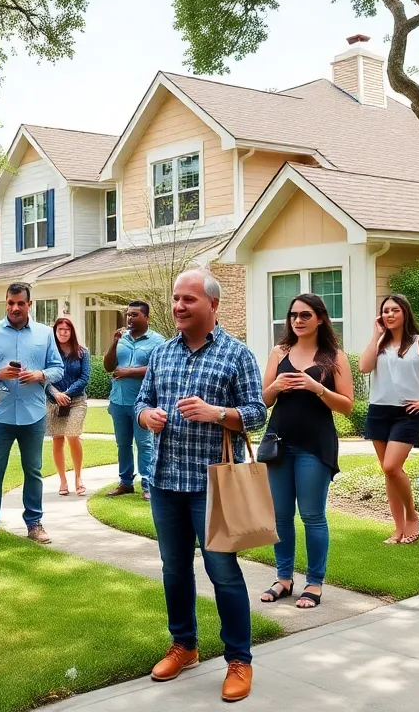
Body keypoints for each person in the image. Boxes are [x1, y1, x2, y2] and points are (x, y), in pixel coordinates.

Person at [134, 269, 267, 703]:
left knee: (223, 572)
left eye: (188, 299)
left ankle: (239, 659)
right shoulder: (162, 353)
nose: (178, 306)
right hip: (166, 480)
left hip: (214, 485)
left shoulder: (237, 354)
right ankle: (185, 646)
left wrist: (217, 413)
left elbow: (256, 413)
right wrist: (145, 416)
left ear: (212, 305)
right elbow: (143, 400)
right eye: (175, 299)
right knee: (174, 569)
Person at [259, 293, 354, 610]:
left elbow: (347, 406)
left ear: (321, 319)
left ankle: (314, 582)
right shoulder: (279, 351)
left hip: (316, 445)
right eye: (293, 315)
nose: (297, 321)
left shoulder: (334, 357)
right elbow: (264, 400)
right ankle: (283, 579)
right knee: (281, 516)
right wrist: (276, 387)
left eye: (305, 315)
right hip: (279, 444)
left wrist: (318, 388)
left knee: (313, 516)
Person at [0, 282, 65, 545]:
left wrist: (40, 375)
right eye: (11, 303)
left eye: (20, 303)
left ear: (30, 305)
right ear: (6, 303)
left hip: (33, 414)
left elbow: (58, 368)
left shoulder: (45, 333)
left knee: (34, 470)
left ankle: (34, 523)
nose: (15, 308)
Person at [358, 294, 419, 543]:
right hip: (379, 410)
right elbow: (363, 367)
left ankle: (413, 517)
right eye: (385, 311)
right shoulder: (380, 343)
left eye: (395, 310)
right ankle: (397, 528)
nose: (389, 315)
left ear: (405, 313)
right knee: (390, 473)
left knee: (391, 466)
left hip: (407, 412)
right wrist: (376, 335)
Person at [103, 301, 165, 501]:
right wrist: (114, 342)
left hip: (143, 403)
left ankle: (147, 485)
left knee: (144, 444)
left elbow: (160, 369)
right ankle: (126, 482)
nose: (129, 318)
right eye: (128, 314)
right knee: (123, 444)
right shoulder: (121, 338)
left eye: (135, 315)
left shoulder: (157, 341)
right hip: (118, 400)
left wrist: (129, 372)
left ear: (146, 317)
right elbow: (108, 366)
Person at [47, 317, 91, 496]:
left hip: (77, 400)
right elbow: (45, 378)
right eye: (60, 330)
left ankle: (78, 477)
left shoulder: (82, 352)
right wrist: (56, 394)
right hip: (54, 401)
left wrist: (67, 393)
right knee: (58, 439)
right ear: (55, 332)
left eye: (67, 329)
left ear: (71, 332)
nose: (63, 332)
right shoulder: (49, 353)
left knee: (73, 435)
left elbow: (84, 377)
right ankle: (63, 480)